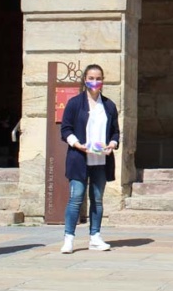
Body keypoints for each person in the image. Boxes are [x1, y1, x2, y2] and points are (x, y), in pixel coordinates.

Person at [59, 64, 119, 254]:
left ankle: (95, 237)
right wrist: (77, 144)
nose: (95, 82)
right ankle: (69, 238)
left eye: (98, 78)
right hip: (79, 158)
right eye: (91, 78)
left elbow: (116, 132)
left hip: (101, 160)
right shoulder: (75, 103)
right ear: (85, 79)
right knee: (76, 197)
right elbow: (65, 129)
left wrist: (113, 144)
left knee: (97, 200)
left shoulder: (109, 105)